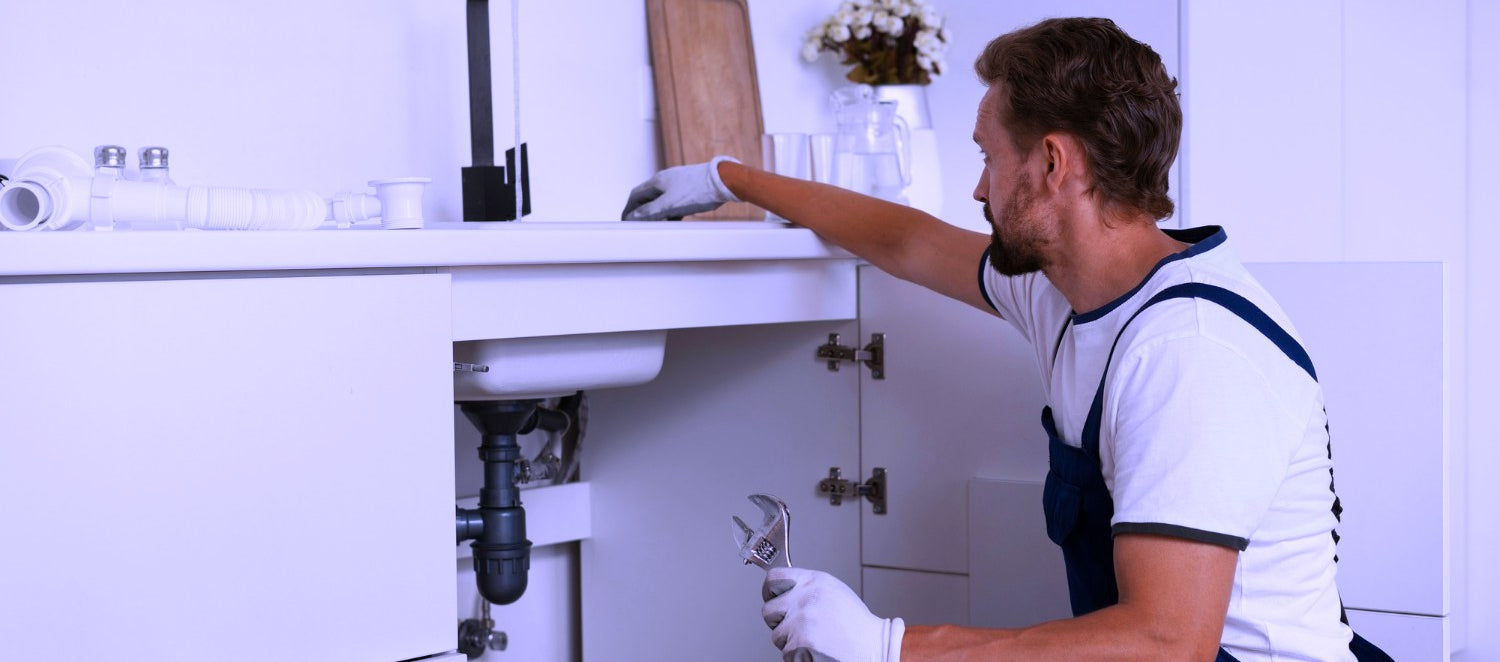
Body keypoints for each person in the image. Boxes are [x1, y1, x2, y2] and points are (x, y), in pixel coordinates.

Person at [621, 16, 1394, 662]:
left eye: (989, 158)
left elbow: (1167, 642)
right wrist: (732, 179)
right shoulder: (1063, 289)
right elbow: (905, 239)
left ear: (1053, 163)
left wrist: (892, 645)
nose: (979, 188)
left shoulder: (1188, 352)